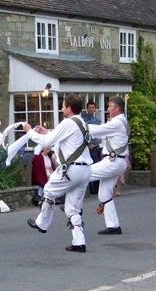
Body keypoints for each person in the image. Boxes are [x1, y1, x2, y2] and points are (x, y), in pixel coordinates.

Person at [23, 94, 92, 253]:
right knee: (72, 209)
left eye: (63, 106)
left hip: (72, 170)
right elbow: (65, 140)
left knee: (48, 191)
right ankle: (79, 242)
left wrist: (29, 132)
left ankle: (42, 224)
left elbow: (47, 142)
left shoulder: (68, 122)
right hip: (85, 170)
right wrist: (46, 131)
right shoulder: (82, 123)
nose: (61, 109)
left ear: (69, 108)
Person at [88, 96, 130, 235]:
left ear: (117, 108)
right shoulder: (120, 121)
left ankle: (70, 204)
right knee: (104, 193)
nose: (107, 109)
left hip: (113, 162)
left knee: (83, 173)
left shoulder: (117, 122)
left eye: (110, 106)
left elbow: (97, 130)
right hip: (116, 162)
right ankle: (114, 226)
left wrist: (77, 125)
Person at [81, 100, 102, 194]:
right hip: (90, 147)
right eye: (90, 108)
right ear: (87, 109)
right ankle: (92, 188)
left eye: (93, 107)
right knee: (92, 166)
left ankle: (96, 188)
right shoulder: (84, 119)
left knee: (98, 166)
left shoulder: (97, 119)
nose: (91, 109)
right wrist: (88, 144)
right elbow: (84, 133)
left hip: (97, 146)